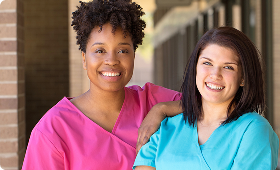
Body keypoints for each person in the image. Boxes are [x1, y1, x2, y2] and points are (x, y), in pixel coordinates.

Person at [22, 0, 181, 169]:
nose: (111, 61)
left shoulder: (153, 101)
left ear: (133, 56)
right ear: (84, 59)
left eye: (122, 51)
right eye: (100, 51)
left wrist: (161, 110)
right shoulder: (54, 128)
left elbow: (207, 105)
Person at [133, 27, 279, 170]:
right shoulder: (166, 128)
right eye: (207, 63)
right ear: (195, 68)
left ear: (243, 78)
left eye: (228, 67)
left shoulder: (253, 130)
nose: (215, 75)